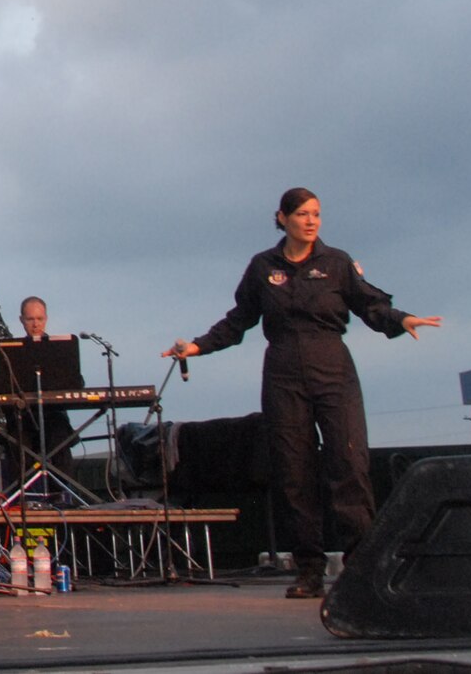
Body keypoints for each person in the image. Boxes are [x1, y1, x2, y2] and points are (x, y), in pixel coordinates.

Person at [164, 187, 442, 598]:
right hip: (283, 375)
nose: (312, 221)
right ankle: (309, 570)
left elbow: (370, 306)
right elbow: (239, 320)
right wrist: (197, 346)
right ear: (283, 218)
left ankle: (361, 565)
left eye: (317, 214)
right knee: (294, 474)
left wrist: (401, 320)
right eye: (303, 214)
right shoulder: (263, 267)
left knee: (348, 464)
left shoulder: (337, 262)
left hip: (332, 369)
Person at [6, 296, 77, 488]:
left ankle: (63, 495)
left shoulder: (60, 349)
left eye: (39, 319)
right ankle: (22, 497)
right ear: (22, 320)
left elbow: (76, 383)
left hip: (53, 416)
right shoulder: (11, 352)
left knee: (60, 435)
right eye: (30, 319)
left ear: (46, 319)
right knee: (17, 438)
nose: (35, 324)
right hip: (24, 417)